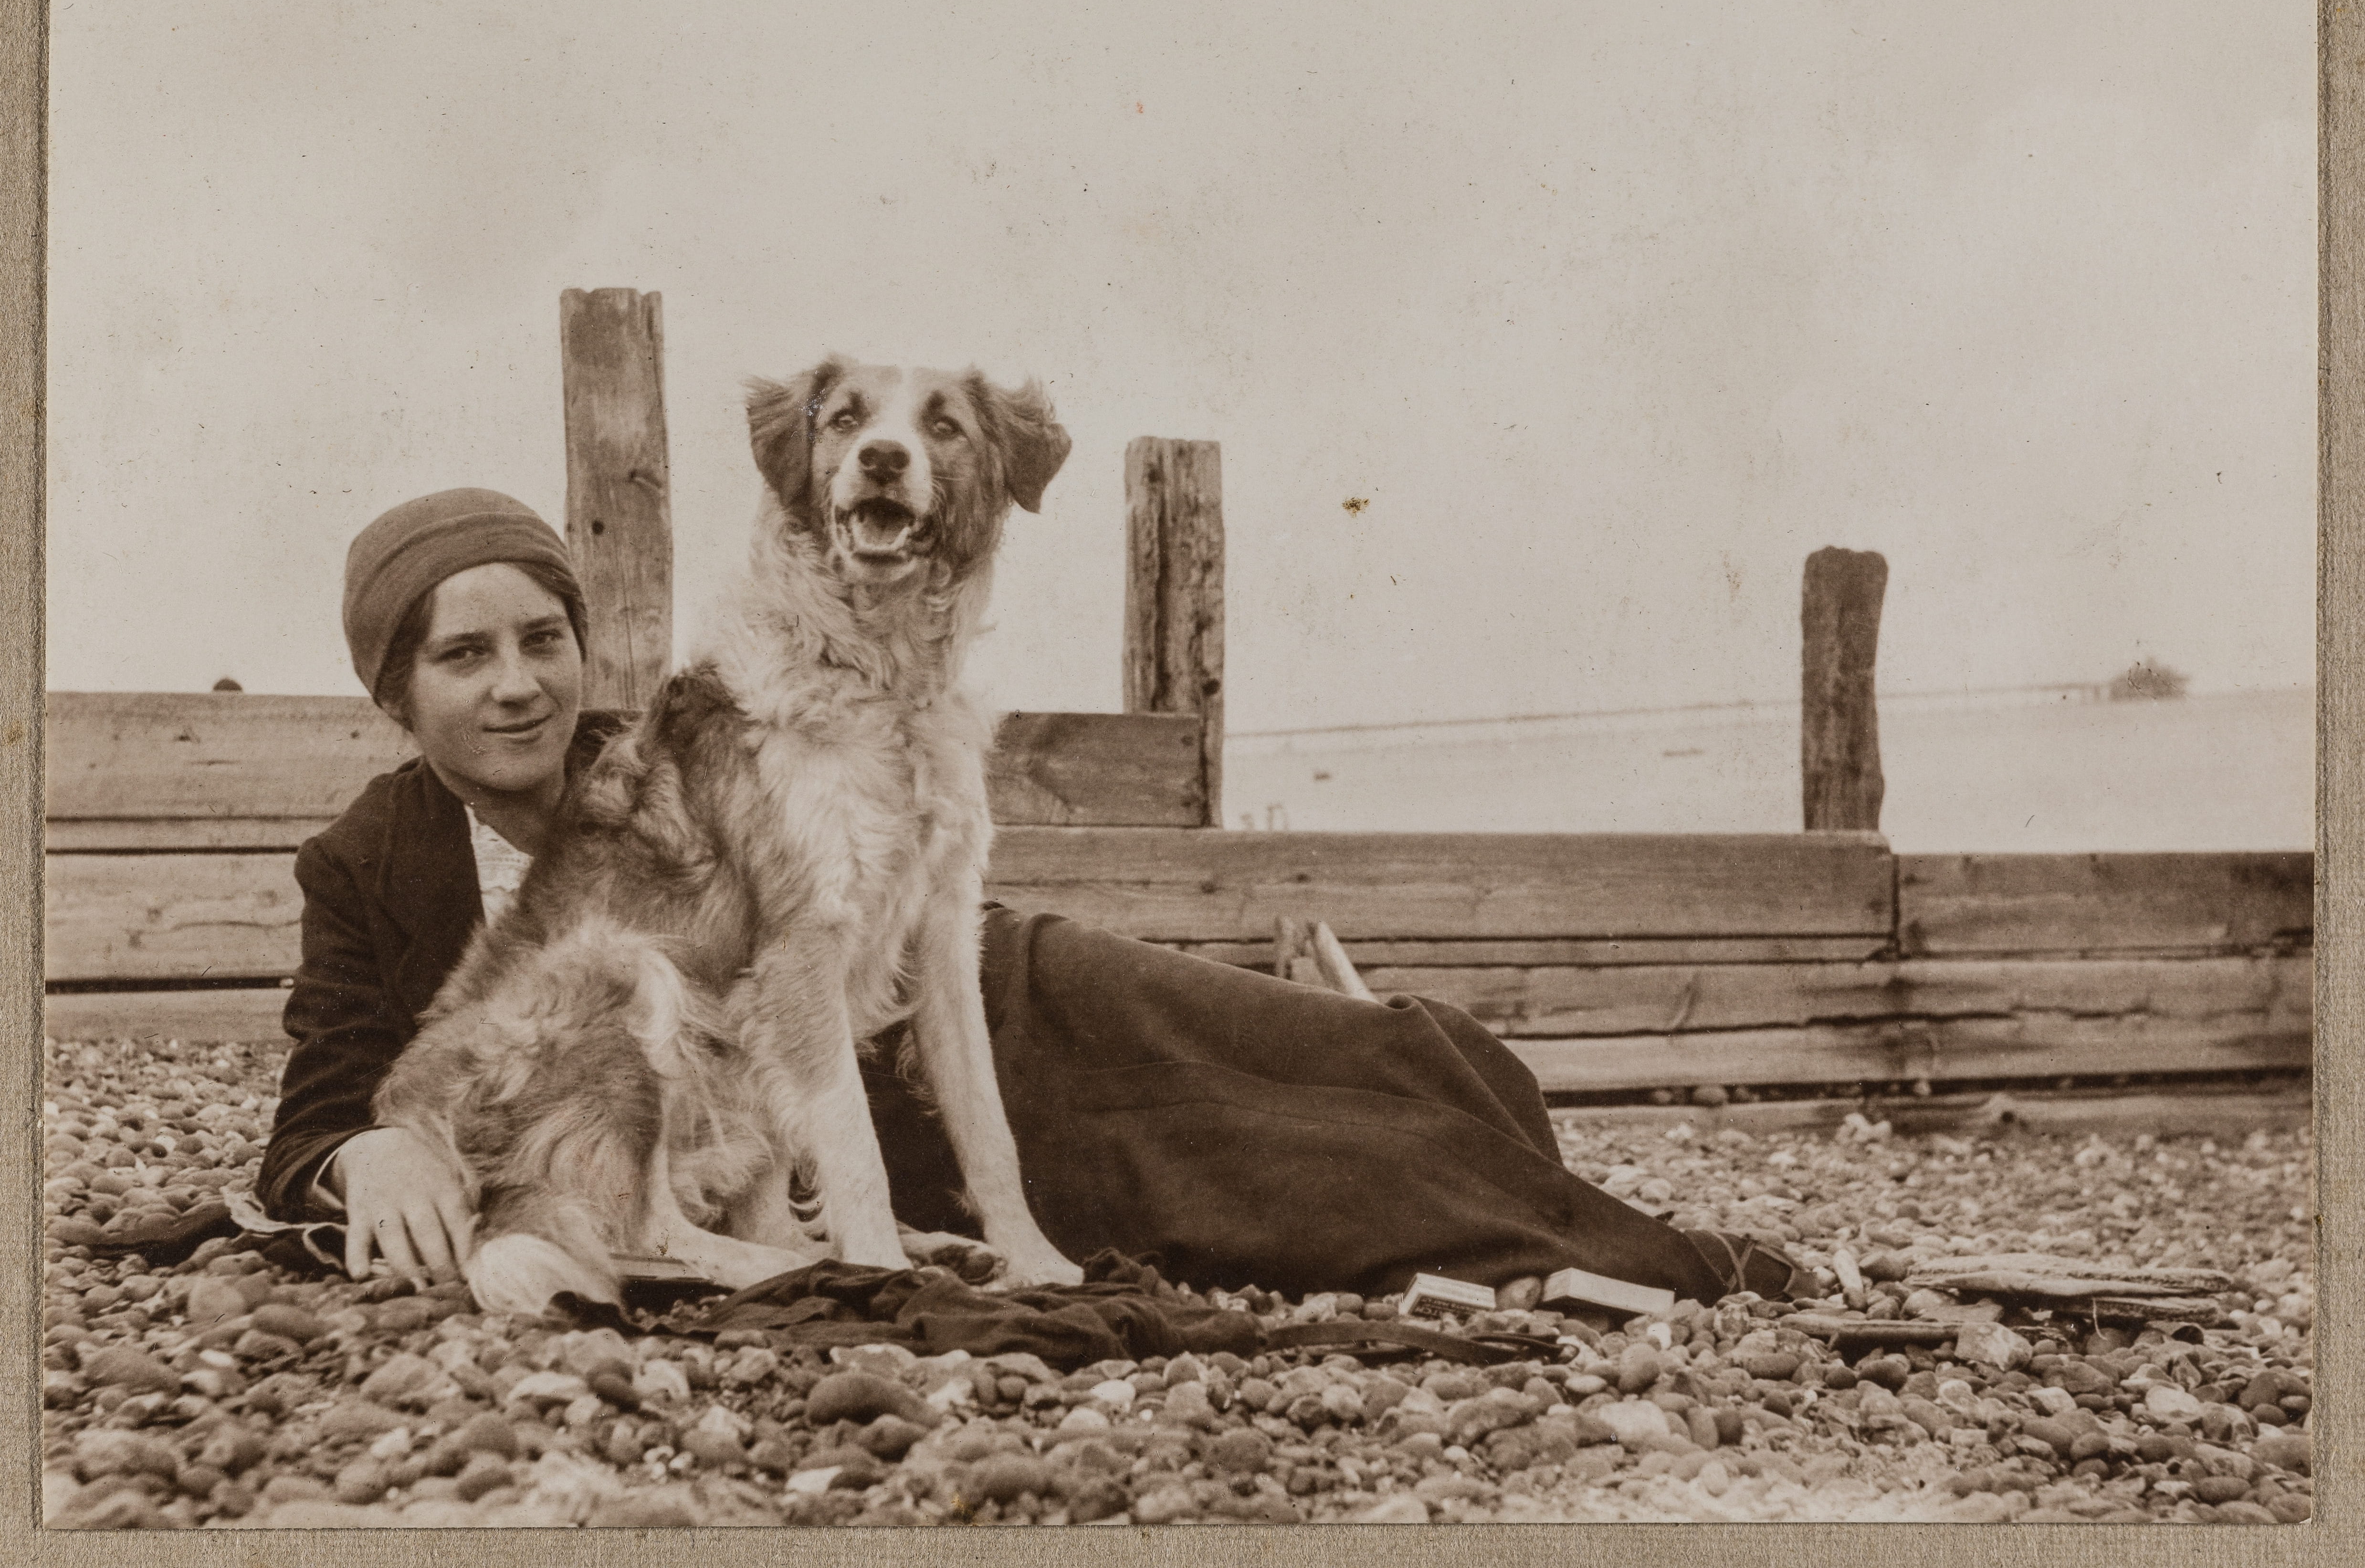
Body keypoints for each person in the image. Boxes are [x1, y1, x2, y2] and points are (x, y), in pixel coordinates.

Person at [261, 489, 1792, 1309]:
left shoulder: (680, 736)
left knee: (1378, 1052)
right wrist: (366, 1150)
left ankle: (1517, 1158)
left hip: (975, 986)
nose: (519, 684)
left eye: (543, 638)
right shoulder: (370, 867)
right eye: (463, 657)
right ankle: (1628, 1256)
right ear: (393, 692)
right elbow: (319, 1105)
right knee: (1262, 1184)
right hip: (866, 1120)